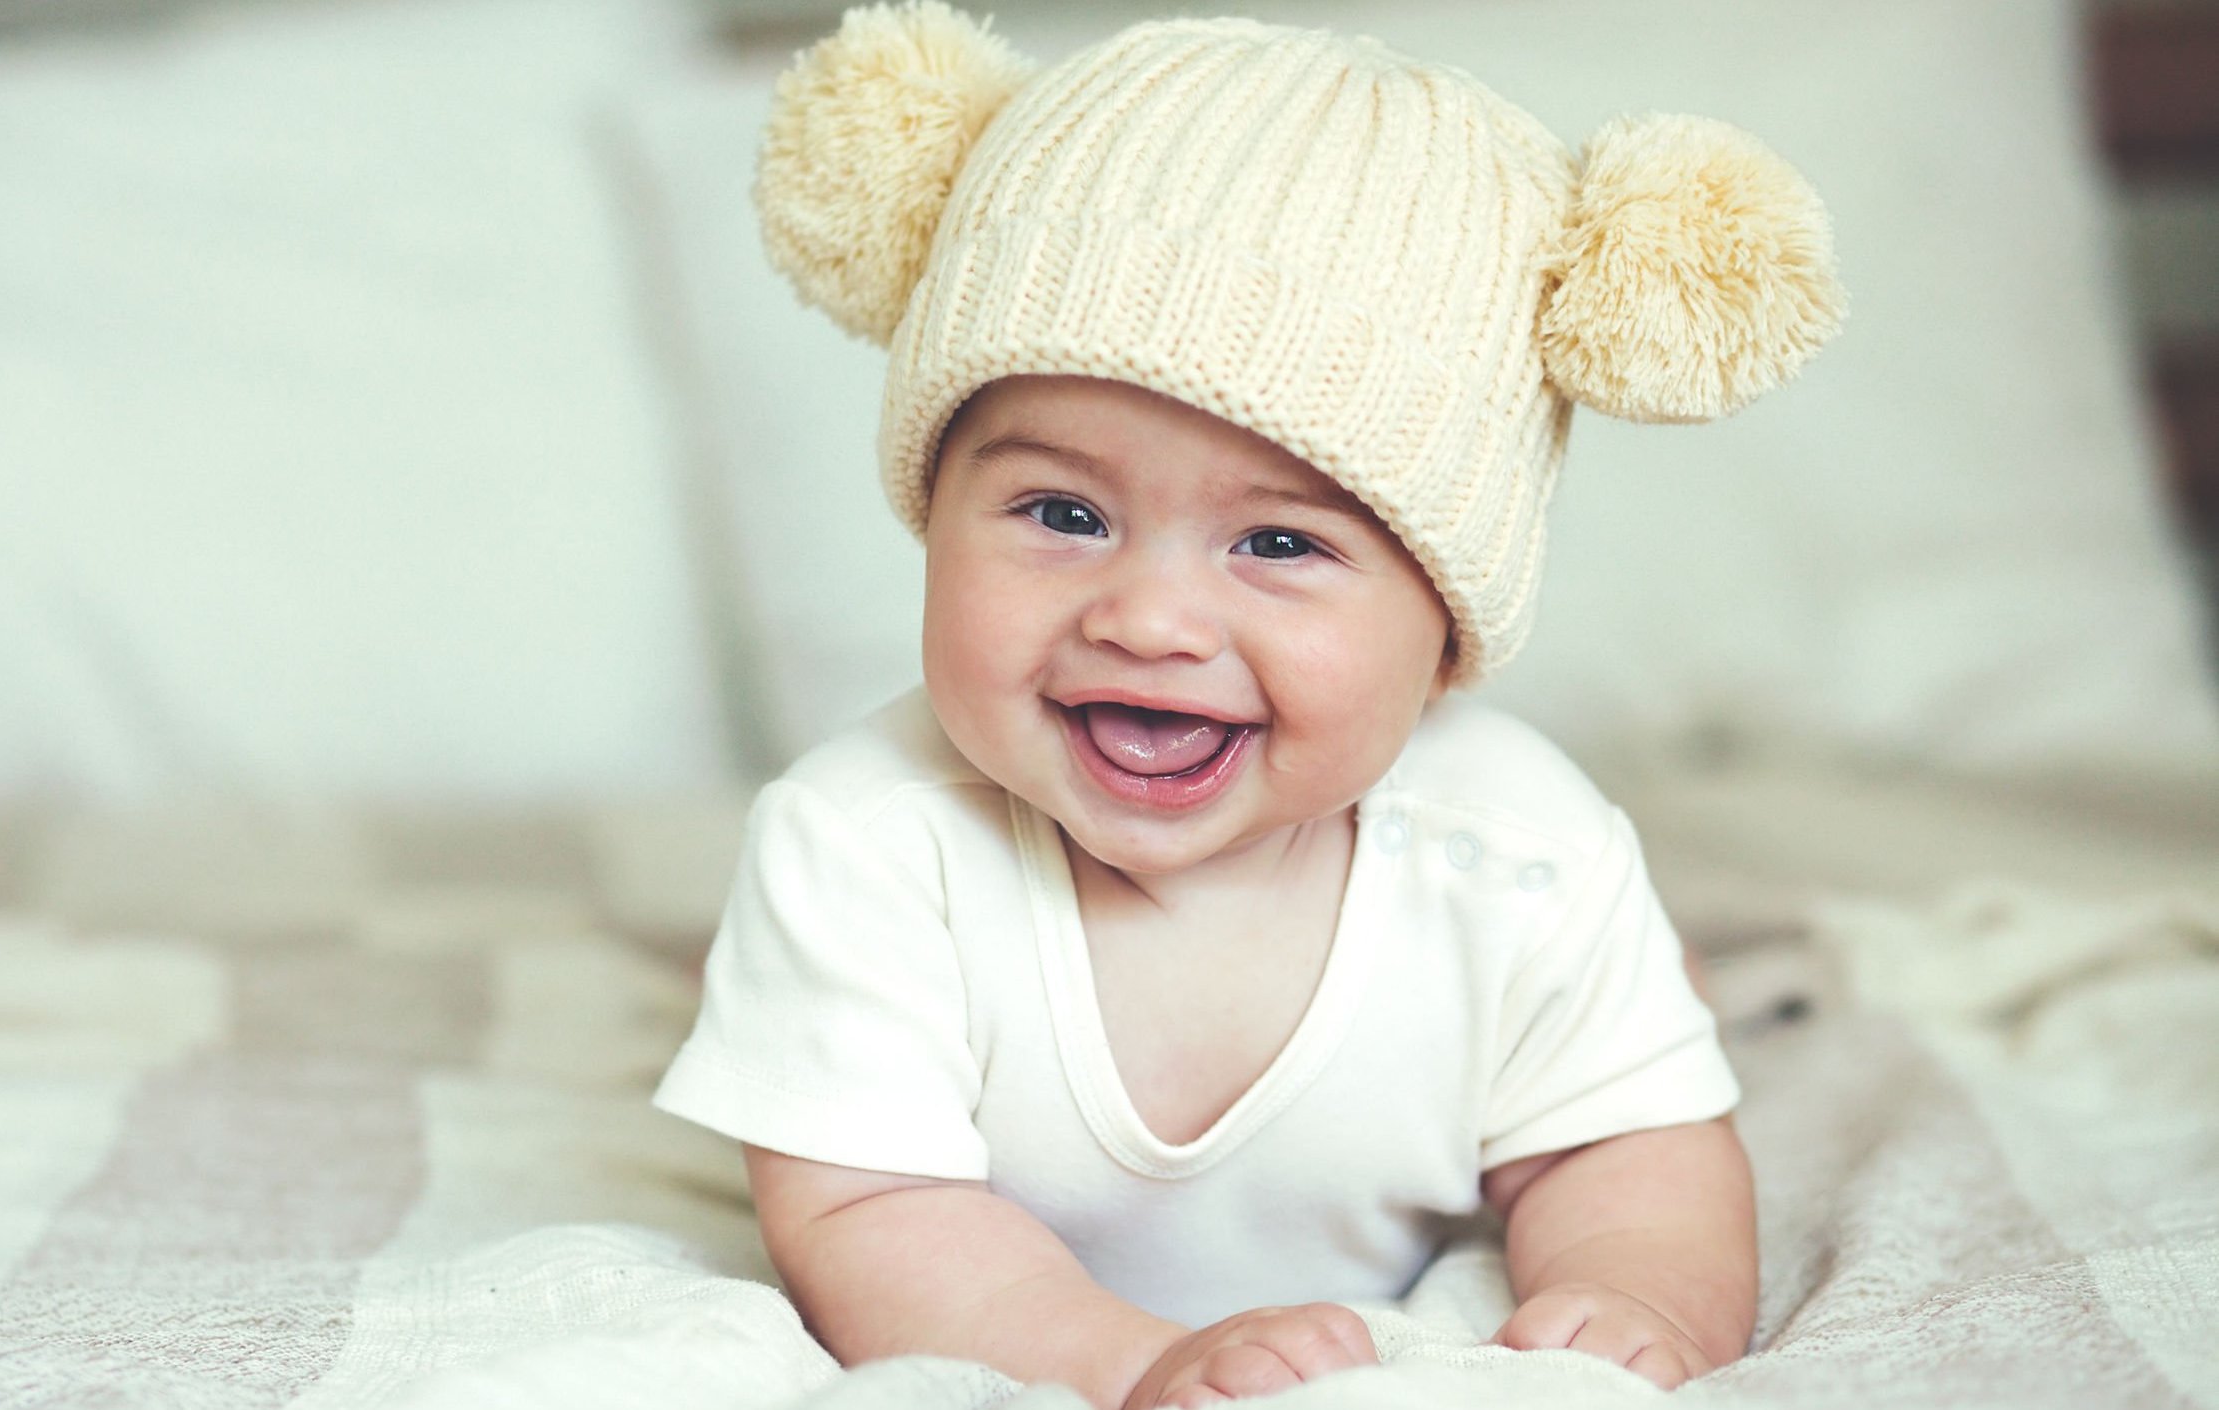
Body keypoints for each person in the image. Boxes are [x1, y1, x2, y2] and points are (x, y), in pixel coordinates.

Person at [651, 5, 1845, 1407]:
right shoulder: (862, 847)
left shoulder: (1523, 850)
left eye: (1279, 544)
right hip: (1045, 1293)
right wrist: (1136, 1359)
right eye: (1061, 511)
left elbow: (1622, 1153)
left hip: (1516, 912)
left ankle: (1663, 986)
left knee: (1616, 1067)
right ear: (934, 512)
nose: (1148, 620)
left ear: (1445, 633)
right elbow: (866, 1218)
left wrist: (1638, 1290)